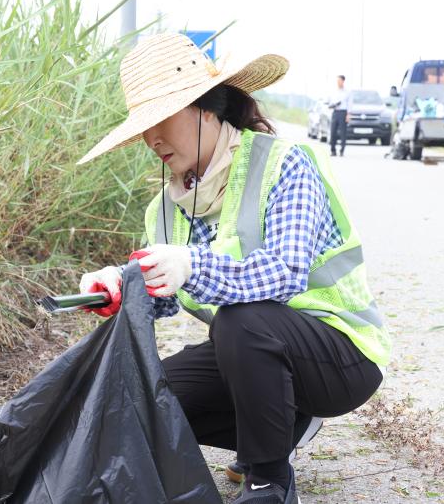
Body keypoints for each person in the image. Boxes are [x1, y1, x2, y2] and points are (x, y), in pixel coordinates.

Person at [76, 33, 391, 504]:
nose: (152, 138)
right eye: (143, 126)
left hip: (340, 355)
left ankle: (269, 481)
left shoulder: (284, 164)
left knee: (240, 320)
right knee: (145, 397)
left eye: (161, 119)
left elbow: (285, 272)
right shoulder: (163, 210)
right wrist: (120, 284)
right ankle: (283, 424)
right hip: (253, 355)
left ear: (206, 107)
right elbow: (163, 295)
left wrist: (191, 264)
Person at [328, 75, 349, 156]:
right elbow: (329, 101)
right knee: (333, 132)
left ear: (343, 81)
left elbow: (349, 104)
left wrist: (348, 115)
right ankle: (333, 150)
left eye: (339, 81)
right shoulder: (334, 91)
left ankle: (342, 150)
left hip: (343, 113)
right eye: (337, 81)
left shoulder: (347, 92)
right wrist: (331, 105)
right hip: (335, 112)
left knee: (343, 133)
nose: (338, 82)